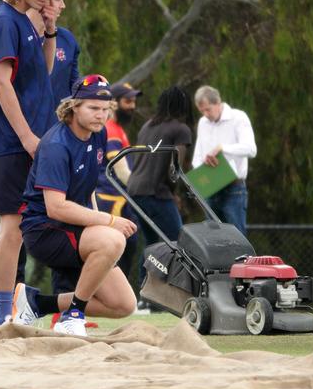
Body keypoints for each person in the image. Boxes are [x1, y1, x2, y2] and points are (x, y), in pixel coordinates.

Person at [12, 74, 137, 336]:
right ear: (74, 106)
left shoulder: (98, 135)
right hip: (45, 230)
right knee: (113, 240)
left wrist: (97, 220)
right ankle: (73, 315)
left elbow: (88, 187)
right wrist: (109, 221)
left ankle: (35, 303)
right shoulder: (56, 144)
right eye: (93, 108)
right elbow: (56, 208)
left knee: (124, 305)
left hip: (75, 227)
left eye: (105, 109)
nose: (100, 115)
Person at [0, 0, 64, 326]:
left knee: (25, 228)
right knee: (12, 228)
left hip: (32, 139)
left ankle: (14, 308)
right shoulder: (3, 21)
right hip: (11, 141)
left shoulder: (25, 21)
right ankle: (1, 312)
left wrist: (49, 29)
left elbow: (41, 73)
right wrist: (27, 136)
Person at [18, 0, 80, 285]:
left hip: (58, 143)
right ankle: (13, 295)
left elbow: (74, 89)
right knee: (16, 218)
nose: (62, 5)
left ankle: (66, 303)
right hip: (26, 140)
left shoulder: (67, 39)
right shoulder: (19, 33)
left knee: (64, 217)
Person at [127, 86, 194, 304]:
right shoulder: (181, 129)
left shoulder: (148, 126)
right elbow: (175, 170)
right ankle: (175, 295)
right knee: (177, 243)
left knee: (152, 243)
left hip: (134, 191)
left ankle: (144, 296)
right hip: (156, 192)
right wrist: (175, 194)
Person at [191, 85, 257, 235]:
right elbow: (198, 156)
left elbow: (251, 149)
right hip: (211, 185)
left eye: (208, 109)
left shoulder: (238, 117)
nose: (205, 114)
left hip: (233, 187)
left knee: (236, 237)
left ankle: (242, 260)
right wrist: (201, 171)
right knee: (213, 237)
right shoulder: (203, 123)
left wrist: (223, 148)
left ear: (218, 103)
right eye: (201, 111)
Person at [95, 82, 142, 279]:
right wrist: (142, 189)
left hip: (118, 200)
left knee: (125, 250)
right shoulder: (112, 130)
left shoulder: (117, 128)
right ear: (113, 103)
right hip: (111, 201)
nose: (132, 106)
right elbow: (122, 172)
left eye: (133, 101)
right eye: (127, 101)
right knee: (119, 250)